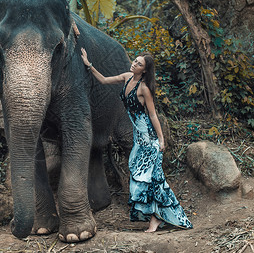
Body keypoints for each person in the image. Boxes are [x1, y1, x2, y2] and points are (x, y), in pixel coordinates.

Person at [81, 48, 192, 232]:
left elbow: (153, 115)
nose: (134, 64)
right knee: (143, 177)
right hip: (138, 139)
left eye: (139, 64)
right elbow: (104, 80)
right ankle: (157, 216)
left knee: (148, 178)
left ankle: (155, 219)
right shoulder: (126, 77)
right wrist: (88, 64)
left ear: (145, 70)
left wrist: (161, 140)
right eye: (135, 61)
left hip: (148, 139)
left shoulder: (144, 89)